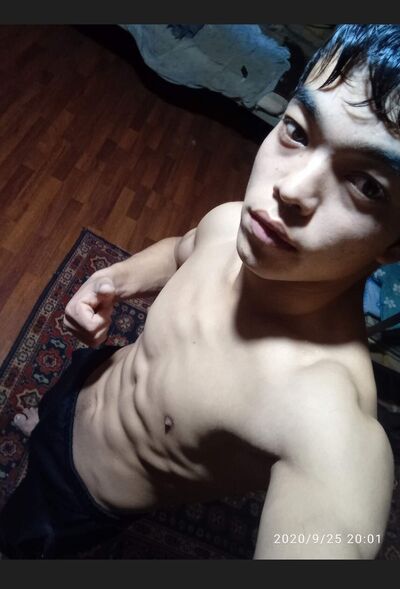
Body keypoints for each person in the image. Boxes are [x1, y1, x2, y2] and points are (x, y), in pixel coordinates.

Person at [0, 23, 399, 559]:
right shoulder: (232, 221)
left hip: (80, 497)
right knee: (50, 414)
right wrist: (112, 280)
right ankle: (41, 423)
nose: (290, 189)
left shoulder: (325, 416)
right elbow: (179, 250)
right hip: (85, 382)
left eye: (367, 184)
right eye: (298, 131)